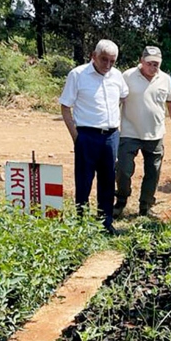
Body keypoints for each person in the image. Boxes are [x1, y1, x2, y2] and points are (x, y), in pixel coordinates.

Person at [59, 39, 128, 235]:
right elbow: (65, 107)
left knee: (107, 180)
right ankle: (81, 222)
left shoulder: (116, 76)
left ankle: (105, 222)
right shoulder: (78, 75)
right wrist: (76, 137)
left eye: (112, 61)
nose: (107, 65)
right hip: (86, 135)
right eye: (103, 60)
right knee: (84, 180)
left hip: (111, 135)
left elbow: (123, 96)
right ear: (93, 56)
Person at [113, 46, 171, 218]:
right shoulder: (127, 76)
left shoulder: (165, 79)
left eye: (156, 64)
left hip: (155, 133)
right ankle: (121, 200)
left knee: (153, 172)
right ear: (141, 61)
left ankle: (146, 205)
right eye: (149, 63)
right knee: (123, 170)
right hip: (129, 132)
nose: (153, 67)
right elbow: (117, 102)